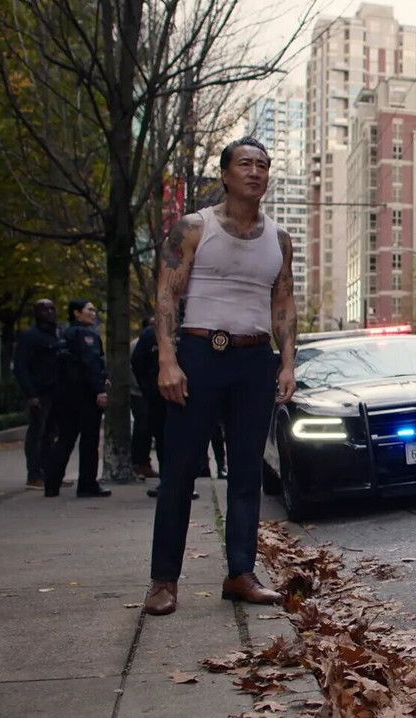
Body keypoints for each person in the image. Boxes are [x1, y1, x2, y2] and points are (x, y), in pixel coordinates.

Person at [144, 137, 297, 616]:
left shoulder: (280, 239)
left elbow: (283, 302)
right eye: (245, 164)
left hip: (254, 361)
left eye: (263, 165)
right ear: (226, 175)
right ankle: (164, 581)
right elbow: (166, 295)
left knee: (247, 472)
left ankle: (240, 573)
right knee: (179, 471)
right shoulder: (194, 227)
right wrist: (167, 360)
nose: (255, 172)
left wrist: (287, 362)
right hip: (199, 355)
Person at [43, 299, 112, 498]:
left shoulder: (63, 334)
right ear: (77, 312)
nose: (93, 313)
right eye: (89, 309)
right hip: (85, 396)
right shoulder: (87, 335)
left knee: (65, 439)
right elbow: (91, 363)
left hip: (64, 395)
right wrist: (100, 389)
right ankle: (87, 484)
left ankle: (51, 483)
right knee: (89, 441)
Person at [134, 320, 198, 500]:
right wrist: (147, 388)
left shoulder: (188, 332)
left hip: (185, 395)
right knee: (164, 439)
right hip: (159, 396)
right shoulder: (150, 335)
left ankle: (184, 483)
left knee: (184, 441)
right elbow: (138, 362)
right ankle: (168, 482)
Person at [13, 299, 62, 490]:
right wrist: (30, 394)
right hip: (40, 392)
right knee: (37, 433)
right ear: (36, 313)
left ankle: (47, 473)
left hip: (55, 391)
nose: (49, 312)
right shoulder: (30, 336)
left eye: (52, 309)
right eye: (44, 309)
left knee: (51, 434)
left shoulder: (56, 334)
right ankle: (33, 475)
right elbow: (20, 367)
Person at [130, 317, 159, 479]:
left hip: (148, 391)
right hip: (140, 392)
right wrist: (144, 387)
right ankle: (140, 462)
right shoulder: (138, 344)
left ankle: (143, 462)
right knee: (143, 427)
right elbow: (136, 365)